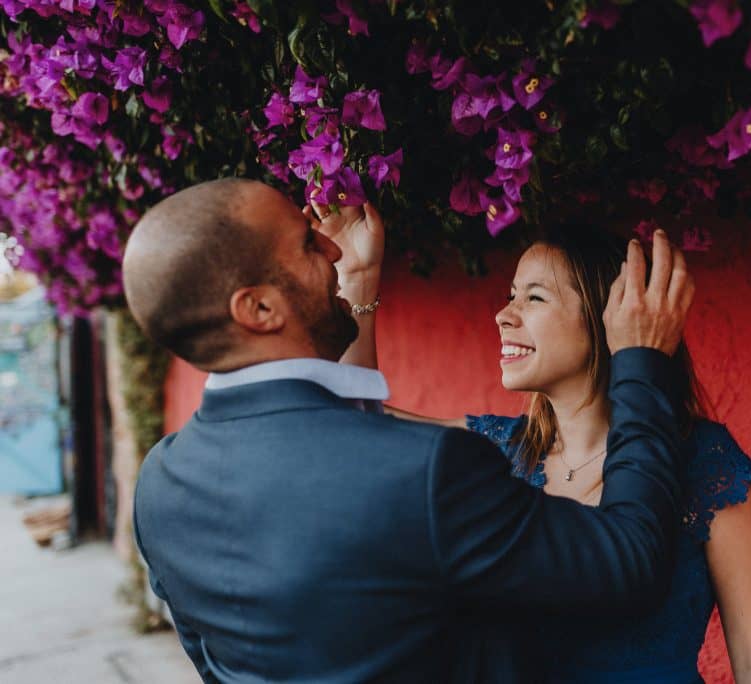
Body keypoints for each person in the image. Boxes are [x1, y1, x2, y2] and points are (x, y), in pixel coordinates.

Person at [124, 178, 699, 683]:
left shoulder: (159, 485)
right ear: (258, 310)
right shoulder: (429, 470)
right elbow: (629, 562)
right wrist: (641, 361)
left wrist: (356, 287)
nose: (328, 244)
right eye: (305, 245)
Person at [331, 214, 751, 683]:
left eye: (534, 297)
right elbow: (358, 425)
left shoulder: (706, 462)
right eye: (511, 295)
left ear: (604, 316)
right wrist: (359, 280)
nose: (503, 314)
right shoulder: (494, 453)